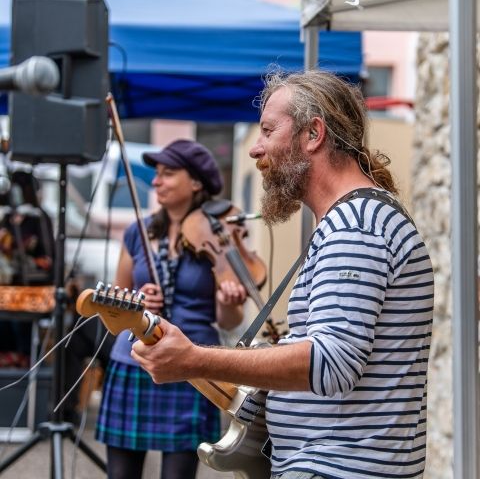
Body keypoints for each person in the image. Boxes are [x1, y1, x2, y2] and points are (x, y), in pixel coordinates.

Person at [131, 70, 434, 479]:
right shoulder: (355, 220)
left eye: (268, 130)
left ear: (313, 134)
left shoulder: (355, 227)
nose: (256, 149)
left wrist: (194, 359)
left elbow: (330, 363)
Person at [96, 139, 247, 479]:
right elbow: (117, 306)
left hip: (191, 364)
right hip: (133, 359)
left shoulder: (220, 234)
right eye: (156, 174)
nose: (156, 182)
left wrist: (228, 302)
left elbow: (229, 320)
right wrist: (137, 302)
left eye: (168, 173)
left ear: (196, 182)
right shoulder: (138, 231)